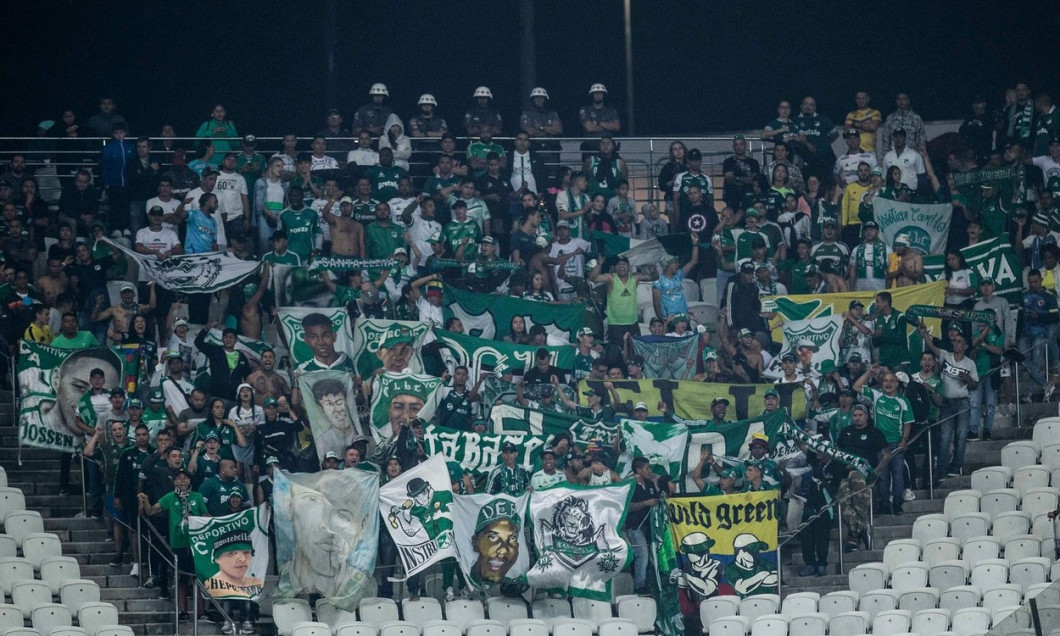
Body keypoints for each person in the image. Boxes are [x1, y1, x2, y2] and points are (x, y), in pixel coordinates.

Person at [139, 469, 208, 621]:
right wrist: (145, 500)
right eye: (179, 478)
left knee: (199, 578)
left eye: (185, 478)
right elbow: (151, 512)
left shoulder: (197, 497)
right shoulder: (170, 497)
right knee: (182, 578)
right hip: (179, 542)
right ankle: (183, 612)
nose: (183, 481)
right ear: (174, 481)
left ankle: (201, 612)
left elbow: (206, 517)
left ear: (189, 481)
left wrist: (196, 519)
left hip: (197, 543)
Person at [854, 365, 914, 515]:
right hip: (880, 445)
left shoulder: (903, 400)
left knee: (898, 476)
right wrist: (869, 372)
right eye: (885, 380)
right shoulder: (876, 395)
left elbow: (908, 422)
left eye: (891, 381)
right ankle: (885, 505)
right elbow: (856, 386)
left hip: (897, 444)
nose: (888, 383)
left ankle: (898, 504)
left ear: (897, 384)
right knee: (883, 476)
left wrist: (905, 439)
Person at [835, 404, 886, 551]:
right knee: (843, 501)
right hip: (845, 473)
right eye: (855, 415)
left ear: (867, 416)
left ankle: (853, 537)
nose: (857, 418)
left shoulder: (874, 432)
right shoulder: (846, 432)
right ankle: (862, 530)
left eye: (860, 415)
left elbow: (886, 455)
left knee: (858, 494)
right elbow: (838, 452)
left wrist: (876, 471)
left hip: (864, 473)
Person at [205, 531, 263, 635]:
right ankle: (228, 621)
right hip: (229, 573)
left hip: (243, 573)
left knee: (244, 594)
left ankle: (245, 621)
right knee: (228, 593)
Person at [467, 499, 522, 590]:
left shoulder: (512, 581)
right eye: (493, 537)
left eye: (512, 538)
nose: (503, 550)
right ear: (475, 541)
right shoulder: (465, 575)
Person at [624, 457, 660, 595]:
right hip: (634, 526)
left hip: (649, 526)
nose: (649, 470)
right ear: (638, 470)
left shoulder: (650, 484)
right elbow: (628, 506)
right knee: (642, 553)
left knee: (651, 555)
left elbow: (656, 499)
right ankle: (640, 586)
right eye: (646, 468)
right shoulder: (630, 484)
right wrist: (646, 503)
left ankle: (651, 584)